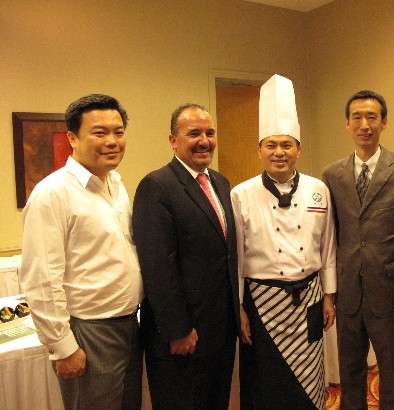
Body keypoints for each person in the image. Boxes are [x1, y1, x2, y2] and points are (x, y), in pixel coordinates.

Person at [20, 94, 143, 410]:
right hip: (90, 331)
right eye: (99, 133)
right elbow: (41, 278)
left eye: (118, 131)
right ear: (72, 138)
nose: (112, 141)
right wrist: (62, 346)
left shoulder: (114, 182)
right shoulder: (53, 193)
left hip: (129, 325)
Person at [231, 74, 336, 410]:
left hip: (310, 297)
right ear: (259, 149)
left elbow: (328, 246)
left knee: (310, 378)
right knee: (266, 383)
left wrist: (330, 296)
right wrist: (239, 308)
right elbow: (235, 259)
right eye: (271, 145)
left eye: (287, 144)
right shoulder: (240, 194)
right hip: (262, 302)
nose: (279, 152)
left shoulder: (319, 189)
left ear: (298, 149)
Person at [132, 103, 240, 409]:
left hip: (219, 329)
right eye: (194, 133)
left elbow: (225, 255)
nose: (204, 140)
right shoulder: (156, 186)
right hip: (183, 336)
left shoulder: (220, 182)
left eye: (209, 132)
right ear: (173, 140)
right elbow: (157, 266)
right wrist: (177, 329)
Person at [322, 90, 394, 409]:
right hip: (349, 290)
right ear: (347, 124)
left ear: (384, 122)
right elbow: (332, 234)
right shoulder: (332, 174)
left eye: (372, 117)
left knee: (391, 372)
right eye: (357, 117)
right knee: (351, 372)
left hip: (390, 290)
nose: (364, 124)